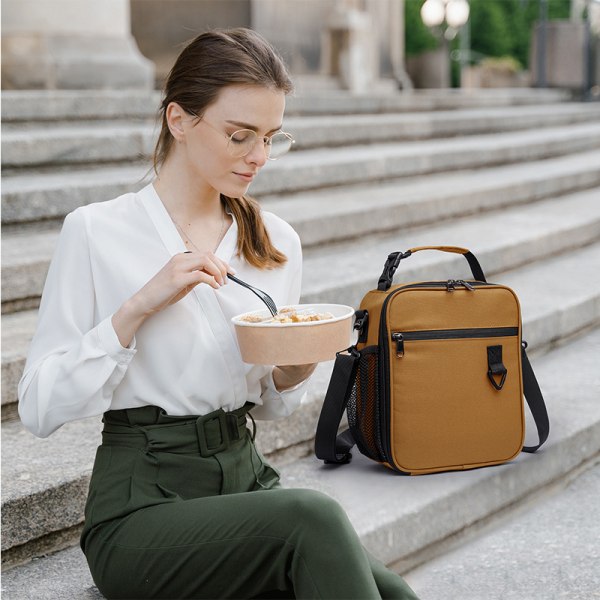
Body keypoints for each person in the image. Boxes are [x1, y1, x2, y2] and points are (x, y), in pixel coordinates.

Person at [18, 27, 419, 600]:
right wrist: (136, 309)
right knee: (314, 518)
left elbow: (271, 403)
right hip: (143, 506)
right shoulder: (96, 231)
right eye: (240, 136)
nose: (258, 157)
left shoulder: (275, 241)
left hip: (244, 482)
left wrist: (295, 366)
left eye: (271, 138)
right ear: (178, 120)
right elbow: (37, 406)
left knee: (396, 593)